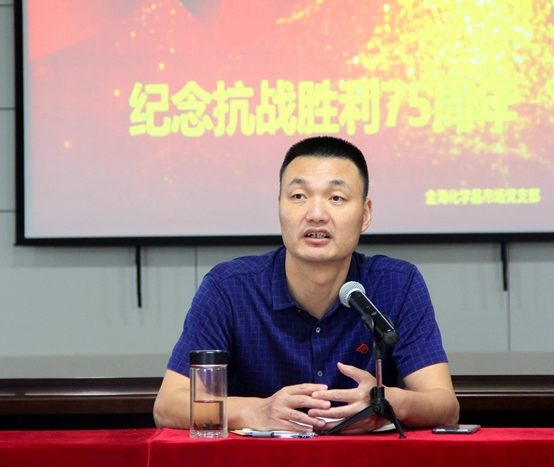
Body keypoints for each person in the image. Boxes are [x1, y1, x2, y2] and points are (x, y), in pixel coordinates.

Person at [153, 136, 459, 434]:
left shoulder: (397, 284)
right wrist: (254, 411)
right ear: (279, 207)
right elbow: (168, 406)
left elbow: (445, 406)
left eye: (336, 198)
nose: (316, 214)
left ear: (365, 215)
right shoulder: (229, 289)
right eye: (299, 196)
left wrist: (386, 402)